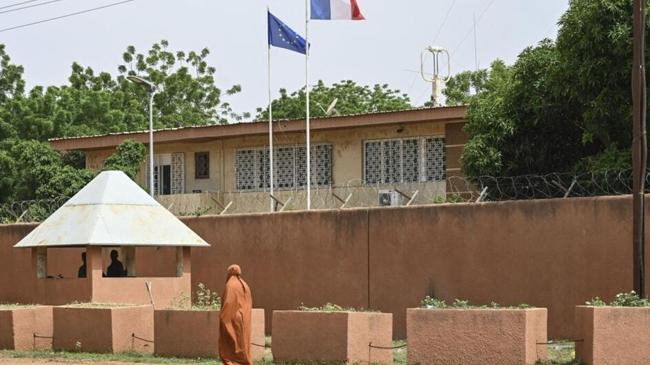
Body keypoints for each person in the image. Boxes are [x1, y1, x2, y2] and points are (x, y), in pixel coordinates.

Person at [219, 264, 253, 365]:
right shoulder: (244, 285)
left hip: (233, 318)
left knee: (231, 343)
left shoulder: (230, 285)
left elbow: (228, 303)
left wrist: (223, 317)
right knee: (243, 341)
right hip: (245, 319)